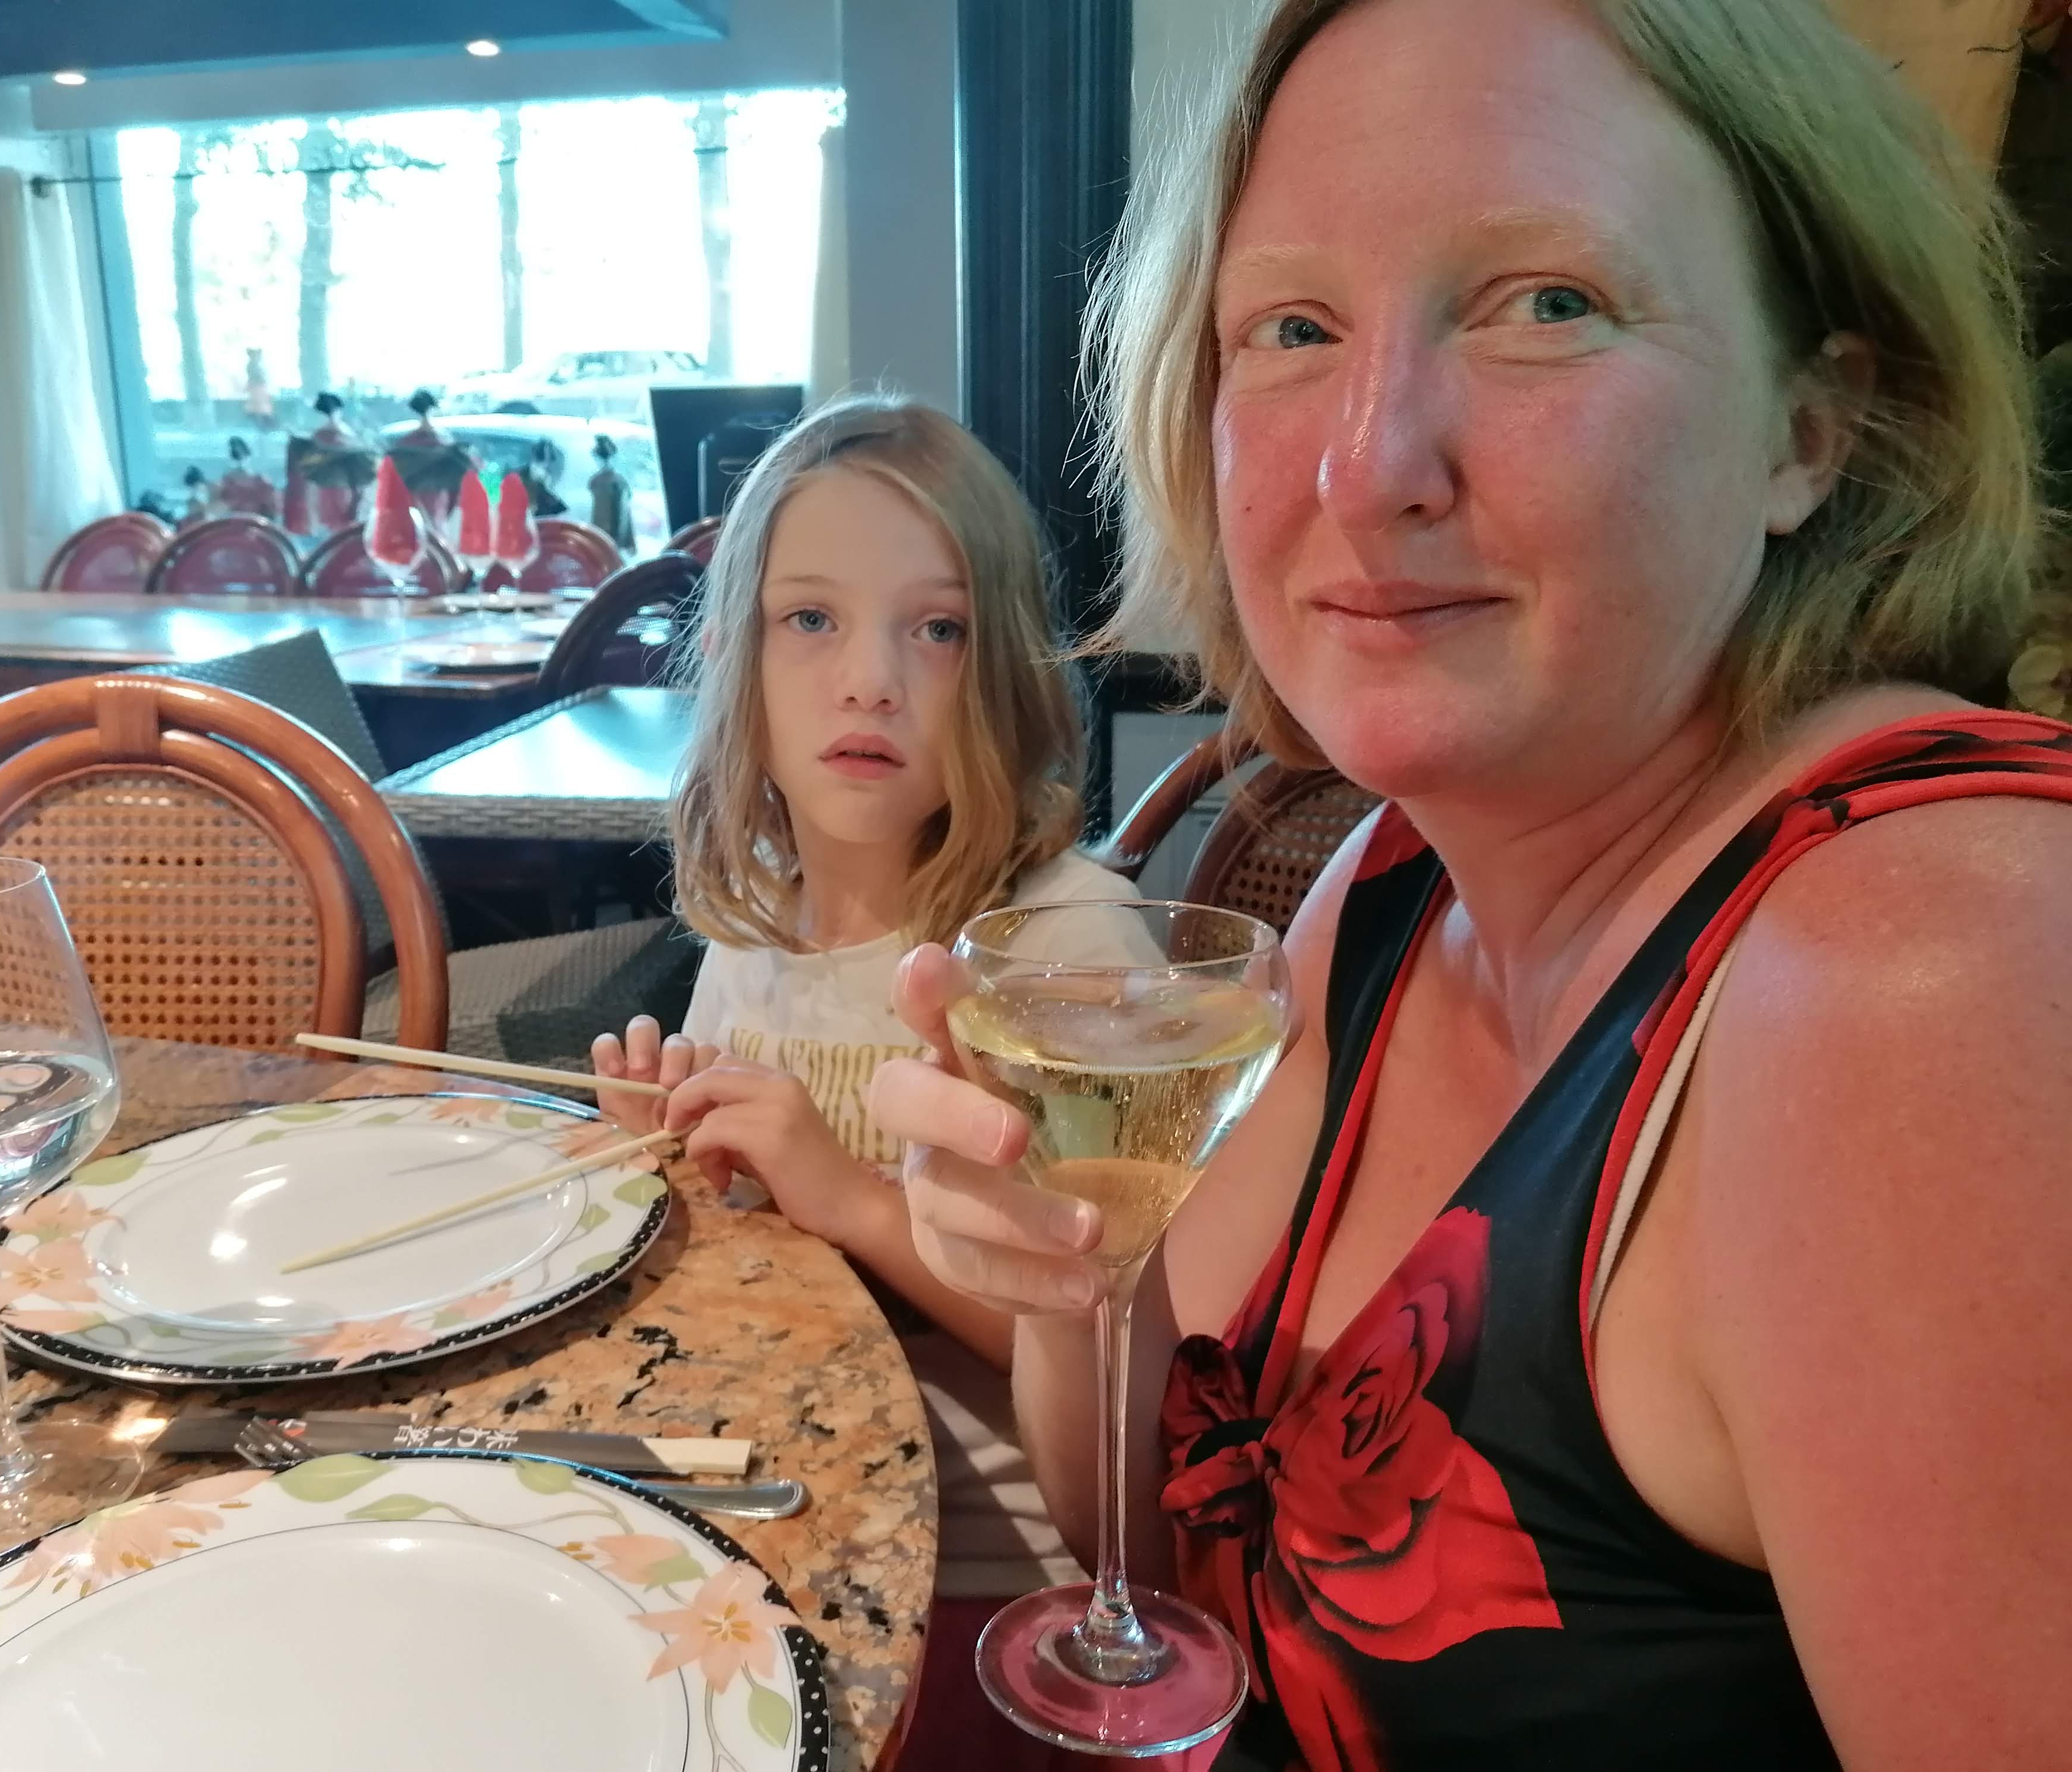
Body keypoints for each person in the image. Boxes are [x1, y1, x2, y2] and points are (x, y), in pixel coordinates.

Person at [867, 1, 2072, 1767]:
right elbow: (1170, 1559)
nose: (1366, 467)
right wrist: (1069, 1278)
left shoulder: (1923, 973)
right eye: (1290, 328)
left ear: (1811, 428)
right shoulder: (1388, 885)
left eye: (1543, 305)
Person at [589, 395, 1136, 1760]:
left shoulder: (1061, 949)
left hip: (993, 1598)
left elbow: (1110, 1339)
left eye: (935, 629)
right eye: (810, 619)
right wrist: (679, 1158)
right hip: (776, 1521)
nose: (869, 680)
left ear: (1001, 672)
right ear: (740, 659)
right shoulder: (754, 926)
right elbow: (764, 1245)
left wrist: (844, 1193)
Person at [588, 432, 636, 554]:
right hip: (602, 535)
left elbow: (623, 513)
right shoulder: (597, 482)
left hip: (611, 535)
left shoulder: (617, 482)